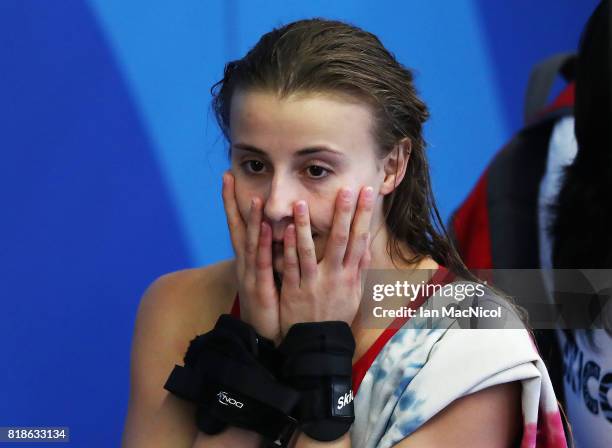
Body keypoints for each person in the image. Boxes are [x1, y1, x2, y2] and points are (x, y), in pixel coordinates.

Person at [122, 18, 566, 448]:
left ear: (392, 166)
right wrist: (256, 358)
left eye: (316, 170)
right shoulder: (178, 304)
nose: (276, 205)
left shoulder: (470, 341)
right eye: (254, 165)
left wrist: (320, 365)